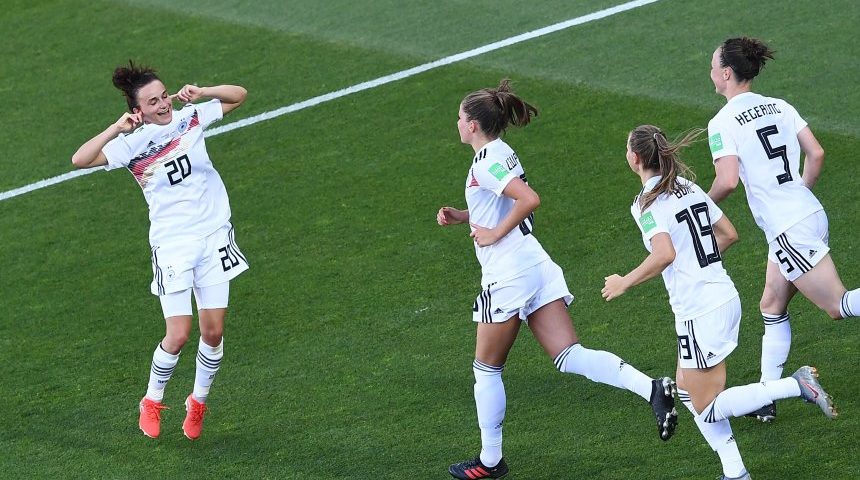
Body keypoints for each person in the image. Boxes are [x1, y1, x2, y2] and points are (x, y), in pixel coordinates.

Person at [437, 80, 678, 480]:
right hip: (535, 265)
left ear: (474, 125)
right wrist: (465, 216)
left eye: (461, 117)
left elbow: (528, 199)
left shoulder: (485, 163)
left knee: (486, 369)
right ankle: (652, 389)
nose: (458, 123)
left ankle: (490, 461)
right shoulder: (501, 153)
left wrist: (494, 234)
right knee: (570, 356)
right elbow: (501, 200)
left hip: (509, 274)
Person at [603, 124, 837, 479]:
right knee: (685, 389)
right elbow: (728, 234)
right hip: (723, 296)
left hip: (699, 310)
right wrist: (698, 262)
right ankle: (734, 471)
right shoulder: (688, 187)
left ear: (635, 158)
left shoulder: (644, 204)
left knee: (707, 407)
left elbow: (664, 253)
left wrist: (625, 282)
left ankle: (795, 385)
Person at [71, 61, 249, 440]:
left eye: (164, 96)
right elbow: (80, 159)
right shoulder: (131, 145)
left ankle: (197, 402)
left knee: (213, 332)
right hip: (173, 245)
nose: (164, 104)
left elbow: (239, 96)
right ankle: (151, 400)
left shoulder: (190, 117)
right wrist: (115, 129)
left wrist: (203, 92)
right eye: (152, 102)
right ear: (138, 110)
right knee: (179, 334)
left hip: (214, 235)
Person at [705, 37, 860, 422]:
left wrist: (698, 210)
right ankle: (766, 395)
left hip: (789, 228)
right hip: (807, 214)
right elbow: (816, 153)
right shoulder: (779, 105)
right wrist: (798, 193)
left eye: (713, 66)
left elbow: (727, 181)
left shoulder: (722, 122)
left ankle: (769, 394)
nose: (710, 72)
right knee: (771, 305)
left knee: (837, 306)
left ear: (727, 73)